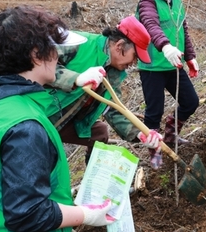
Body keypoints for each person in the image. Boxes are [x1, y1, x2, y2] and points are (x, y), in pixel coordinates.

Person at [0, 5, 115, 232]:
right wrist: (86, 214)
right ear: (36, 55)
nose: (57, 58)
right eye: (54, 50)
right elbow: (28, 214)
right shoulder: (24, 127)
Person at [46, 15, 163, 169]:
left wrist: (140, 134)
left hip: (65, 119)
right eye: (135, 56)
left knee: (99, 133)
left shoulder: (113, 73)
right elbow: (40, 62)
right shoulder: (78, 43)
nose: (134, 63)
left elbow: (114, 109)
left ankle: (93, 184)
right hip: (40, 112)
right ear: (120, 46)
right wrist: (76, 78)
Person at [135, 0, 200, 158]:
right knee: (154, 113)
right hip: (153, 67)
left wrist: (190, 56)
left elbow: (183, 29)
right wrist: (165, 46)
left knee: (190, 102)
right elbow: (150, 24)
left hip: (175, 65)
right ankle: (155, 150)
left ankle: (171, 134)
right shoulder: (147, 2)